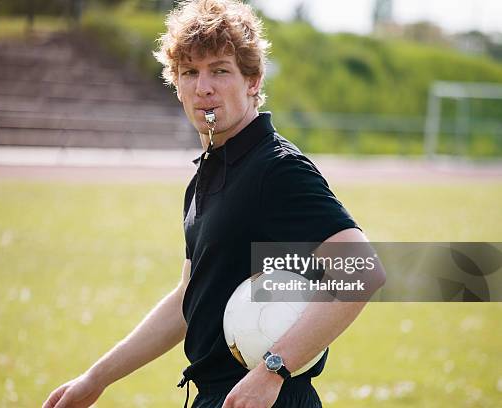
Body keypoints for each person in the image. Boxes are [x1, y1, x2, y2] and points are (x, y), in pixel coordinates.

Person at [42, 1, 386, 407]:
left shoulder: (275, 169)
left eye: (220, 70)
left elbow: (362, 271)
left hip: (268, 395)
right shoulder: (207, 175)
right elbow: (187, 300)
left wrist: (273, 369)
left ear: (253, 81)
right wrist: (95, 379)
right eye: (190, 72)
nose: (203, 87)